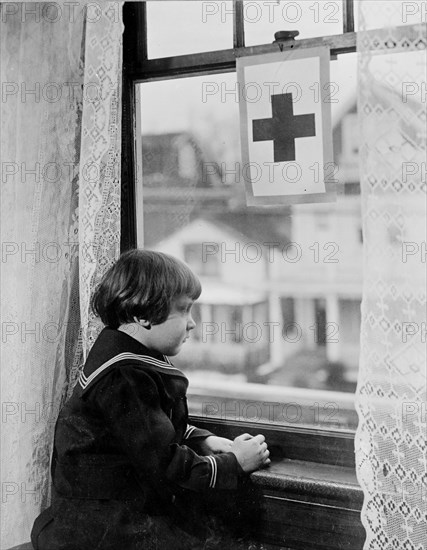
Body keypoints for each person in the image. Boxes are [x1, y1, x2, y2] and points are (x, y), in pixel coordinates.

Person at [31, 249, 270, 549]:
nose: (192, 323)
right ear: (142, 315)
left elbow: (150, 432)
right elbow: (166, 466)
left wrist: (202, 440)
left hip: (107, 515)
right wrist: (233, 463)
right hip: (101, 529)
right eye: (184, 310)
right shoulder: (123, 377)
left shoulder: (128, 361)